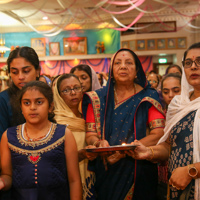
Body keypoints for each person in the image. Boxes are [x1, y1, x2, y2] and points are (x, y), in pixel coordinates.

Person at [82, 48, 165, 199]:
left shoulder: (148, 97)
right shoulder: (97, 98)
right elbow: (91, 135)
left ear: (137, 70)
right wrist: (99, 143)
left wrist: (123, 151)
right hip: (106, 169)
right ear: (111, 70)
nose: (123, 66)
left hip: (139, 170)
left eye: (129, 63)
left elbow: (158, 134)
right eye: (118, 63)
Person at [130, 42, 200, 200]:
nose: (194, 67)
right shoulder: (179, 104)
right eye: (188, 63)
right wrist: (149, 152)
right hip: (178, 188)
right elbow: (170, 145)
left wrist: (191, 170)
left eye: (199, 61)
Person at [0, 81, 82, 200]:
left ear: (50, 107)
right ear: (21, 108)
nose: (32, 107)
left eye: (39, 102)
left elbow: (74, 180)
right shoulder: (8, 136)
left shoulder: (64, 134)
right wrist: (2, 181)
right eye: (27, 103)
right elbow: (7, 175)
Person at [53, 73, 96, 200]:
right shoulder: (54, 122)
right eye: (66, 90)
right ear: (58, 95)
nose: (73, 93)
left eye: (77, 88)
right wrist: (80, 155)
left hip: (90, 176)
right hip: (64, 180)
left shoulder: (88, 117)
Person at [0, 46, 40, 139]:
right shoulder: (3, 99)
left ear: (37, 71)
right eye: (14, 72)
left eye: (26, 71)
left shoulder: (47, 96)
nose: (20, 77)